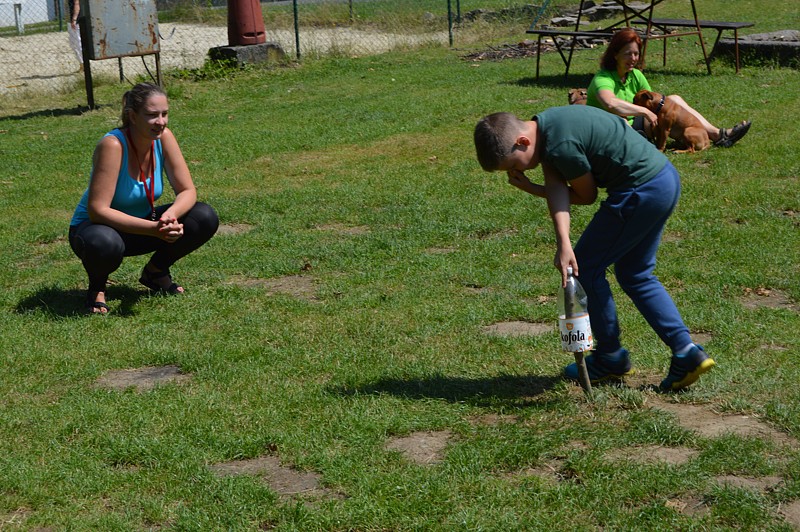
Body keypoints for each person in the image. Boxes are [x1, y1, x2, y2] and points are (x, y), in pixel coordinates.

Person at [473, 105, 715, 392]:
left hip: (639, 192)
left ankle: (610, 357)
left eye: (515, 164)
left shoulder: (561, 146)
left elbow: (585, 195)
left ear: (522, 142)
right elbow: (558, 188)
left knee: (586, 269)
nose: (516, 172)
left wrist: (532, 189)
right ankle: (686, 351)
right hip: (663, 180)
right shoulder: (548, 126)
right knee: (635, 273)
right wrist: (563, 243)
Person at [69, 83, 219, 314]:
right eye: (152, 115)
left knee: (204, 216)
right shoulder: (112, 145)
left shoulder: (164, 137)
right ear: (132, 116)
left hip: (142, 225)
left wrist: (169, 217)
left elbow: (188, 191)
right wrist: (153, 229)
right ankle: (97, 288)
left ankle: (155, 273)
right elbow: (97, 210)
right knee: (104, 243)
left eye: (164, 114)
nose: (161, 121)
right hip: (95, 229)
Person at [585, 27, 750, 148]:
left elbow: (654, 103)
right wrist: (644, 111)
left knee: (674, 100)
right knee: (620, 119)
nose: (633, 58)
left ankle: (717, 135)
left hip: (637, 123)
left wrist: (656, 111)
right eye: (628, 53)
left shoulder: (635, 74)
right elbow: (610, 104)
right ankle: (636, 143)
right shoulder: (603, 78)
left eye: (636, 54)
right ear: (615, 54)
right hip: (608, 127)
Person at [68, 0, 83, 72]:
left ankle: (84, 65)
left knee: (77, 43)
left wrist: (74, 19)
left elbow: (77, 4)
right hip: (70, 21)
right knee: (73, 44)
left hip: (75, 21)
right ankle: (82, 64)